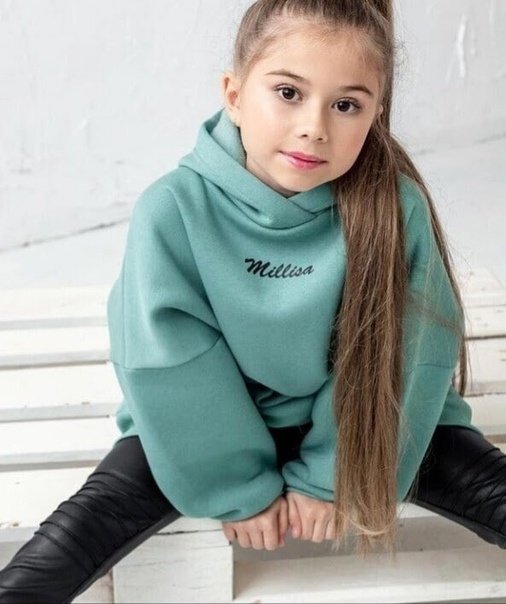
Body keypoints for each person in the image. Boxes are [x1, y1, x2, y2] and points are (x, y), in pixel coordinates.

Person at [1, 0, 505, 601]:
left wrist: (332, 478)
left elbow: (410, 355)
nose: (315, 127)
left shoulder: (393, 207)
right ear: (235, 95)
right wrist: (238, 489)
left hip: (373, 423)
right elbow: (169, 364)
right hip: (198, 431)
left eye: (346, 105)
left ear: (375, 113)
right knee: (62, 550)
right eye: (288, 93)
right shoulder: (173, 208)